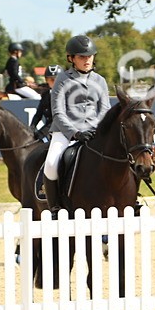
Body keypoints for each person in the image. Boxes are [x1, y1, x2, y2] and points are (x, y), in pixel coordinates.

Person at [43, 35, 110, 212]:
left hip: (94, 131)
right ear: (71, 58)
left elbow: (104, 109)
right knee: (51, 165)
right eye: (81, 57)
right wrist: (74, 133)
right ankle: (55, 207)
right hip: (65, 132)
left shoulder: (100, 81)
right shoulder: (62, 79)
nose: (86, 60)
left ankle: (130, 200)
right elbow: (58, 112)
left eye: (89, 56)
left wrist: (97, 129)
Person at [29, 65, 63, 139]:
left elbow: (58, 120)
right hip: (49, 130)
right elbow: (38, 114)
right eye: (51, 80)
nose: (54, 82)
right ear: (46, 80)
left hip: (62, 131)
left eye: (56, 79)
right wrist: (32, 127)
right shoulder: (45, 95)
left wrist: (43, 132)